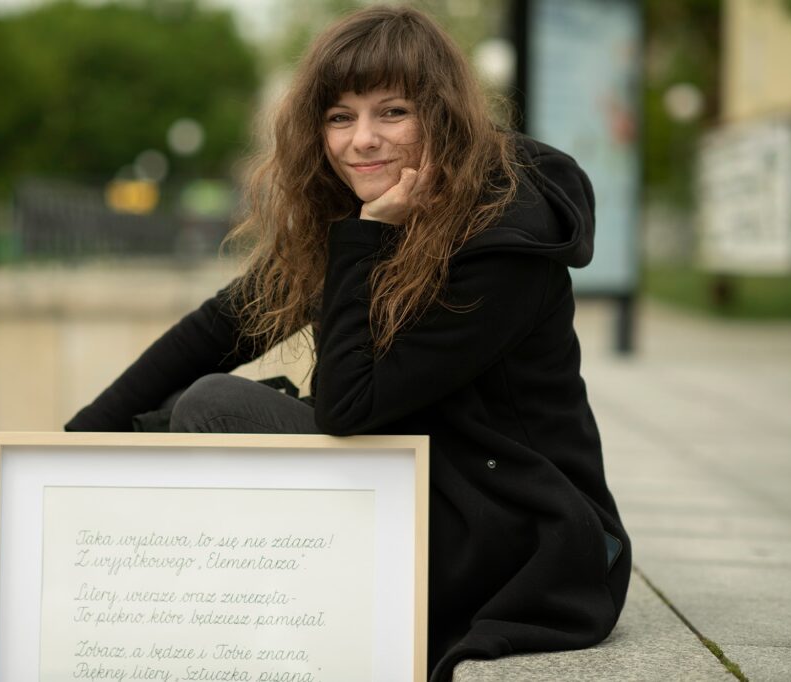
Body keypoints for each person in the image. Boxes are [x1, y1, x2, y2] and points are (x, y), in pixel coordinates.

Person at [66, 5, 630, 680]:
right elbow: (222, 326)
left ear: (442, 115)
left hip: (521, 528)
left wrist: (364, 239)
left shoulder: (501, 246)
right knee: (172, 413)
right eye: (340, 117)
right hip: (428, 480)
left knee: (215, 409)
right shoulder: (376, 205)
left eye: (392, 112)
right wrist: (73, 445)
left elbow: (348, 407)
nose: (362, 140)